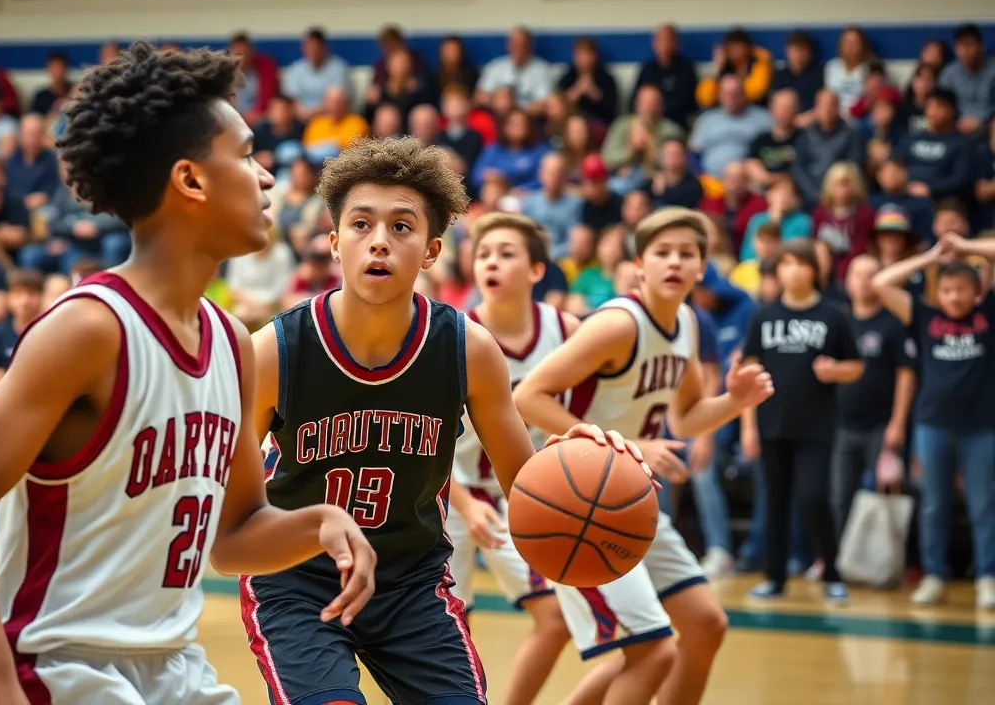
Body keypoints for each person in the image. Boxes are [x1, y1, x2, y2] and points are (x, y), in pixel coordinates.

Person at [0, 44, 379, 705]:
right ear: (190, 180)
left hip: (174, 667)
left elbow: (235, 534)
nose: (267, 178)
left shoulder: (231, 343)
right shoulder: (89, 329)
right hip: (61, 665)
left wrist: (321, 523)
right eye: (247, 155)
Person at [246, 137, 645, 705]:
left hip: (411, 584)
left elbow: (525, 487)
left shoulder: (467, 349)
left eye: (401, 227)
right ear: (334, 243)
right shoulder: (276, 350)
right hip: (298, 583)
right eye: (360, 224)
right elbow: (232, 505)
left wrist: (576, 465)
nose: (379, 240)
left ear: (432, 251)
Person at [515, 207, 774, 705]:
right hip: (576, 505)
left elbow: (687, 417)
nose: (674, 262)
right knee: (653, 653)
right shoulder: (618, 324)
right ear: (639, 265)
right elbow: (529, 395)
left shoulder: (688, 323)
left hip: (627, 499)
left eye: (686, 254)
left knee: (705, 624)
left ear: (703, 267)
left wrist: (734, 402)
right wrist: (626, 449)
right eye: (662, 252)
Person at [448, 213, 582, 705]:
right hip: (445, 491)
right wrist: (465, 505)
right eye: (483, 254)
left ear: (537, 270)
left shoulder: (566, 330)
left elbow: (584, 413)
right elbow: (425, 437)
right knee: (444, 629)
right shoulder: (453, 333)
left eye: (506, 254)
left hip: (521, 492)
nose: (491, 263)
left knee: (555, 618)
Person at [872, 234, 995, 610]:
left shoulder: (988, 315)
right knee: (933, 506)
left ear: (976, 292)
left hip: (981, 427)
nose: (954, 297)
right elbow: (881, 283)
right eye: (947, 290)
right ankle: (934, 575)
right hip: (932, 425)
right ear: (937, 293)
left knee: (983, 506)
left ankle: (987, 577)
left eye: (961, 290)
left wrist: (966, 247)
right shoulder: (924, 317)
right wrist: (930, 257)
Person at [740, 238, 864, 603]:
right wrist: (748, 426)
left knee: (815, 497)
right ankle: (775, 577)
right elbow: (748, 372)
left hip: (817, 427)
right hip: (771, 424)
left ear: (815, 270)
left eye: (801, 263)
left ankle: (831, 573)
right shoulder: (763, 316)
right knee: (775, 501)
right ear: (777, 271)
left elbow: (856, 366)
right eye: (786, 264)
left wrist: (835, 371)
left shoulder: (833, 315)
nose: (793, 271)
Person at [831, 255, 915, 534]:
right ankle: (841, 556)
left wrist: (898, 422)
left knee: (885, 495)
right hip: (841, 426)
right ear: (847, 281)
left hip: (881, 426)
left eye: (871, 275)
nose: (864, 281)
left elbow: (906, 375)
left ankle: (885, 558)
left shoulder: (892, 324)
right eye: (857, 274)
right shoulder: (838, 322)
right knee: (840, 498)